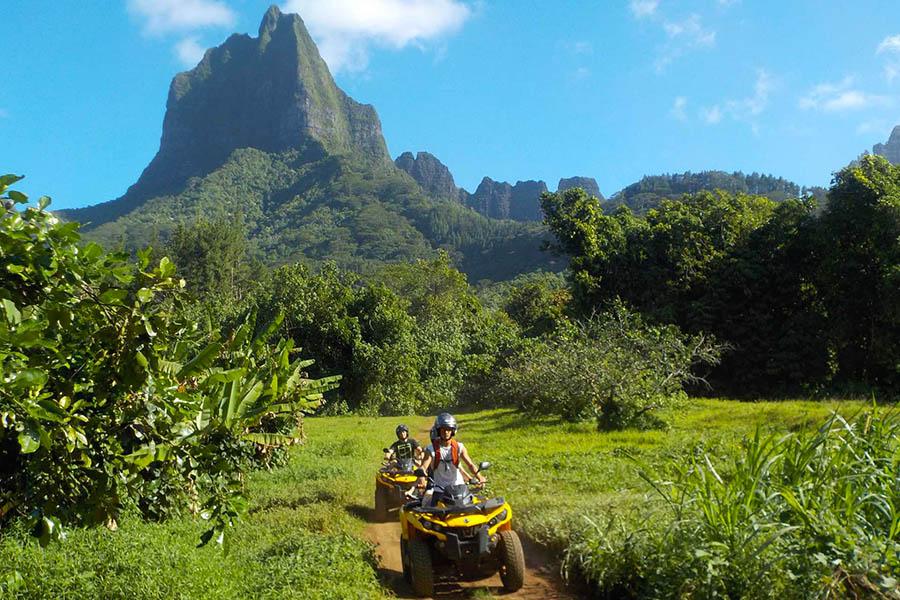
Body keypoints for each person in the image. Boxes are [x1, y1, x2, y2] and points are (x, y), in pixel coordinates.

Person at [417, 412, 485, 506]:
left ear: (453, 431)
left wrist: (479, 477)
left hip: (460, 488)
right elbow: (424, 466)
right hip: (440, 490)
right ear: (438, 430)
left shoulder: (459, 447)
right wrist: (421, 473)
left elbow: (470, 465)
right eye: (443, 429)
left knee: (475, 508)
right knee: (427, 513)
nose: (446, 432)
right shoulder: (431, 449)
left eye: (449, 429)